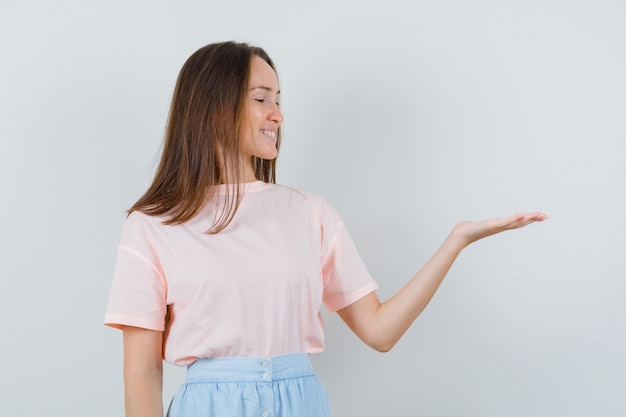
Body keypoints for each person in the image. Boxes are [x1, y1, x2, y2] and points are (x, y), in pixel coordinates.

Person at [104, 41, 547, 417]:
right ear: (214, 107)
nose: (277, 114)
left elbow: (380, 331)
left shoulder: (308, 213)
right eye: (262, 99)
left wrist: (456, 242)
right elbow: (142, 373)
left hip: (302, 402)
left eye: (279, 99)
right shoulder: (154, 225)